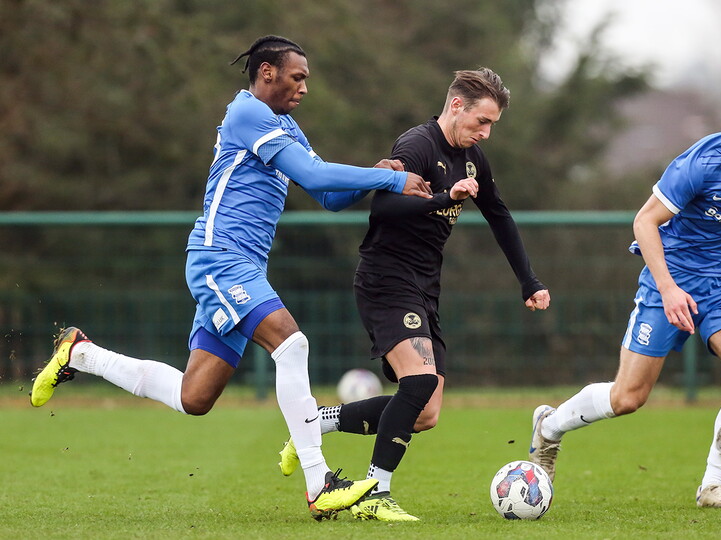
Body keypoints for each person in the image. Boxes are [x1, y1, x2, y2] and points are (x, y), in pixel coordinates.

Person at [29, 35, 432, 521]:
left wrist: (373, 173)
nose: (304, 88)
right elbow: (315, 174)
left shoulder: (284, 126)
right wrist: (390, 179)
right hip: (220, 259)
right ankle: (320, 483)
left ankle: (81, 354)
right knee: (292, 344)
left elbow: (327, 195)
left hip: (241, 267)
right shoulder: (247, 113)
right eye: (297, 77)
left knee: (194, 397)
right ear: (267, 72)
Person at [277, 67, 551, 521]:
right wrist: (446, 197)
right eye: (482, 121)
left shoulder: (474, 160)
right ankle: (375, 494)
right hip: (386, 277)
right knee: (418, 382)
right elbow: (385, 205)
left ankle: (313, 424)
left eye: (492, 125)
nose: (486, 133)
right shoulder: (417, 145)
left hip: (424, 286)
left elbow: (499, 216)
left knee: (425, 413)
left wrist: (529, 280)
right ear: (457, 106)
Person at [527, 85, 721, 509]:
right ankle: (550, 427)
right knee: (628, 397)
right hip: (668, 280)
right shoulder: (700, 163)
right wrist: (668, 289)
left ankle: (712, 485)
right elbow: (644, 222)